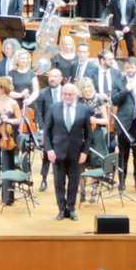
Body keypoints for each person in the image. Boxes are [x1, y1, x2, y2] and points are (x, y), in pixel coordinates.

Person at [44, 81, 90, 221]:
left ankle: (71, 209)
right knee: (59, 183)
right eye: (65, 94)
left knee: (74, 183)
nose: (67, 96)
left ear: (76, 95)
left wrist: (85, 152)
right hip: (57, 153)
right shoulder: (53, 108)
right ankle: (61, 209)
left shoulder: (84, 109)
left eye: (70, 94)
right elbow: (46, 132)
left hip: (76, 153)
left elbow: (89, 134)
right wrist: (49, 150)